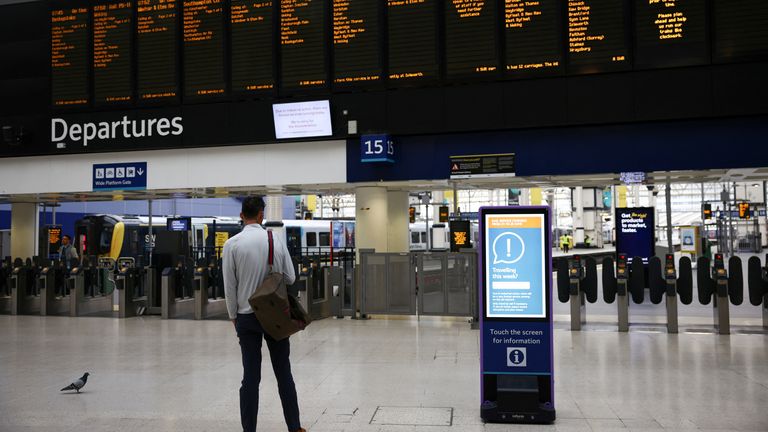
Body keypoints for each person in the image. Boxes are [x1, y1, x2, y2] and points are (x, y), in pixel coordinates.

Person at [222, 196, 305, 432]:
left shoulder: (232, 245)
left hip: (246, 317)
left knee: (250, 378)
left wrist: (233, 316)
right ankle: (295, 427)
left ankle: (249, 430)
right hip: (276, 316)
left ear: (241, 216)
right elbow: (290, 277)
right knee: (283, 373)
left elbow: (230, 286)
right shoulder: (275, 240)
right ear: (261, 215)